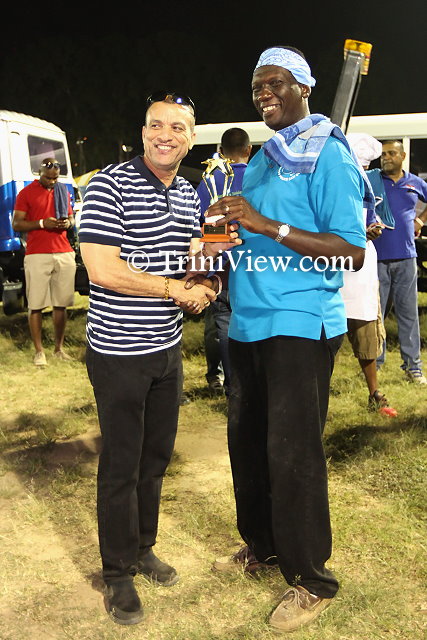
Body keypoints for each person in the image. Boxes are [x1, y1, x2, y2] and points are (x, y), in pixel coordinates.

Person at [201, 46, 368, 633]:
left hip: (300, 322)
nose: (263, 94)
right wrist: (219, 241)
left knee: (293, 454)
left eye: (275, 83)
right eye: (257, 87)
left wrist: (265, 224)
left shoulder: (329, 156)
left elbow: (350, 251)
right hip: (248, 321)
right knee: (247, 445)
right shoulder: (263, 159)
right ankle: (263, 546)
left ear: (304, 88)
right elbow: (249, 236)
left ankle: (313, 579)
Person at [78, 92, 238, 626]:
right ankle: (117, 572)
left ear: (191, 138)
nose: (164, 135)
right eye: (155, 125)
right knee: (121, 465)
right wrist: (173, 289)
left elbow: (195, 253)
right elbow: (103, 268)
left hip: (166, 350)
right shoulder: (110, 184)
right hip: (119, 352)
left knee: (155, 459)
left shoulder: (189, 190)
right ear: (143, 132)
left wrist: (209, 279)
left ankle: (143, 547)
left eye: (176, 128)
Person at [342, 133, 397, 416]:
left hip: (361, 266)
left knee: (365, 327)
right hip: (331, 261)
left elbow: (375, 218)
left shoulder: (368, 182)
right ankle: (312, 389)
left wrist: (372, 229)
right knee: (324, 331)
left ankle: (374, 392)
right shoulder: (332, 181)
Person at [197, 128, 252, 395]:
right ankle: (251, 387)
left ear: (220, 151)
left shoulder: (210, 181)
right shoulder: (259, 178)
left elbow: (201, 223)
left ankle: (232, 386)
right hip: (255, 268)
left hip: (219, 268)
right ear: (249, 150)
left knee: (224, 326)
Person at [368, 140, 427, 384]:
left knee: (408, 314)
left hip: (406, 258)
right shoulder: (372, 181)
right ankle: (375, 366)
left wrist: (420, 221)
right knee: (376, 316)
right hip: (376, 259)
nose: (386, 158)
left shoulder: (414, 183)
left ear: (402, 156)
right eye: (383, 154)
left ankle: (413, 367)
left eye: (392, 153)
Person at [12, 158, 76, 366]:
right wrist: (41, 223)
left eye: (55, 178)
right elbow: (16, 223)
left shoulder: (62, 191)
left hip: (63, 252)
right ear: (39, 173)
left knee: (61, 304)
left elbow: (71, 218)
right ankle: (39, 352)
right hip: (37, 253)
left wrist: (68, 223)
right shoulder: (26, 193)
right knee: (36, 305)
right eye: (48, 178)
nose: (52, 181)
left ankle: (58, 349)